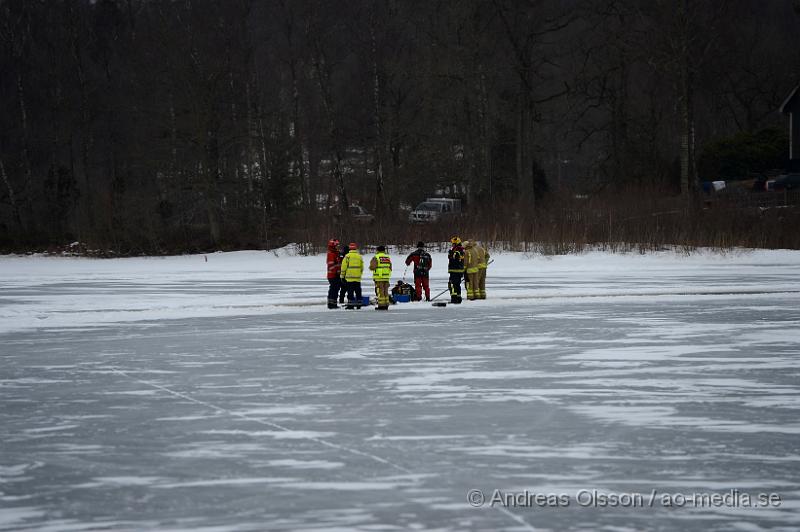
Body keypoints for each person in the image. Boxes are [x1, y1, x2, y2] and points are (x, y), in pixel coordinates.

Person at [340, 243, 364, 309]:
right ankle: (359, 304)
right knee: (358, 291)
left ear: (350, 249)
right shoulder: (359, 256)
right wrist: (359, 274)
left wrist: (342, 276)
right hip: (357, 278)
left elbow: (343, 267)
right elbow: (362, 267)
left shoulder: (347, 256)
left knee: (350, 292)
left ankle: (351, 305)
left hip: (349, 278)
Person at [369, 245, 392, 310]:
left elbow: (372, 267)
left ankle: (381, 305)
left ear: (378, 250)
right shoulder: (387, 257)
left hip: (379, 277)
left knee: (380, 291)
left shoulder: (376, 257)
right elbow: (390, 267)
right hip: (386, 277)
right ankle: (386, 304)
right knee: (385, 291)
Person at [447, 236, 465, 304]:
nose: (452, 245)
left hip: (455, 270)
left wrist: (450, 253)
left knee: (452, 284)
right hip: (459, 271)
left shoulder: (457, 250)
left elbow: (454, 258)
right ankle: (458, 298)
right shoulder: (461, 250)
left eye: (453, 243)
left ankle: (454, 299)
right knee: (457, 285)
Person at [326, 238, 342, 309]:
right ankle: (331, 304)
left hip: (336, 275)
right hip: (333, 275)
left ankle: (334, 304)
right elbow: (331, 265)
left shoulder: (336, 253)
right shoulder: (331, 254)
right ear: (333, 246)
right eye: (337, 245)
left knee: (336, 289)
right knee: (333, 290)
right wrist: (337, 271)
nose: (338, 247)